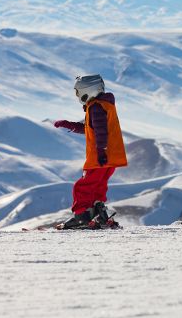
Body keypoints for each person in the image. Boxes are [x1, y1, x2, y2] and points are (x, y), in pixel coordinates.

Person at [53, 74, 128, 229]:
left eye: (78, 92)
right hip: (111, 157)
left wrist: (101, 151)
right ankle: (100, 215)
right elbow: (91, 128)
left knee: (82, 187)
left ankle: (81, 218)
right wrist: (70, 125)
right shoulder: (103, 105)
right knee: (98, 186)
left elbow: (101, 132)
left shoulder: (95, 107)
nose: (77, 96)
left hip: (100, 156)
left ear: (88, 90)